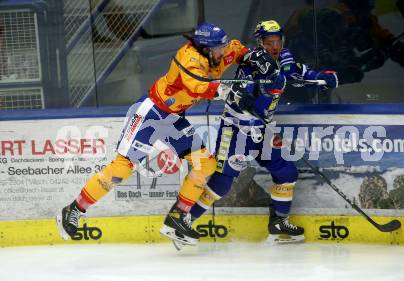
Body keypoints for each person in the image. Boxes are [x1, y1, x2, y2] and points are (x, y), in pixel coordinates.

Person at [56, 22, 253, 245]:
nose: (222, 50)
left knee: (205, 164)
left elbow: (237, 50)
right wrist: (229, 92)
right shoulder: (188, 58)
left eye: (222, 46)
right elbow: (197, 85)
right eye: (218, 47)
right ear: (206, 48)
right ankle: (74, 209)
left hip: (174, 117)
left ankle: (177, 219)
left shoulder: (218, 51)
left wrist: (256, 59)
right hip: (151, 113)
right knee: (122, 167)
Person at [186, 20, 339, 244]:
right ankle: (185, 221)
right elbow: (238, 98)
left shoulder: (284, 59)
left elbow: (299, 74)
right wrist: (249, 98)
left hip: (261, 129)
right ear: (260, 43)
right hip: (236, 129)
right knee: (223, 181)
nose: (275, 47)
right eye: (269, 42)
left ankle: (278, 223)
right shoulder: (252, 63)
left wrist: (324, 78)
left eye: (278, 41)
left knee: (286, 172)